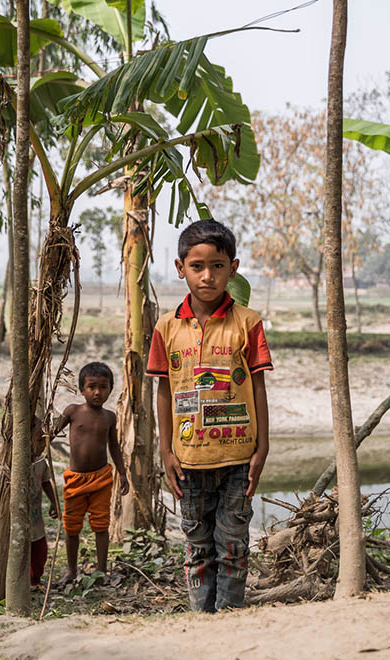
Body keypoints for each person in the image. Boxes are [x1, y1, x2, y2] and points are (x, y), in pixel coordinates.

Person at [146, 219, 273, 613]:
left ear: (232, 269)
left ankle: (230, 618)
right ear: (179, 267)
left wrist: (262, 447)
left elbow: (257, 387)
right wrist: (166, 451)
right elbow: (163, 390)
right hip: (187, 460)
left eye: (217, 266)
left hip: (239, 457)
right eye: (197, 266)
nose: (207, 276)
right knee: (197, 545)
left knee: (233, 543)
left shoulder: (247, 323)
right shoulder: (166, 327)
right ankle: (203, 618)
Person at [55, 362, 129, 584]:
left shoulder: (109, 417)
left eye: (103, 387)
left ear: (110, 389)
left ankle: (101, 569)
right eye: (92, 387)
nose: (97, 392)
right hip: (75, 479)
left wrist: (122, 473)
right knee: (72, 526)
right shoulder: (73, 412)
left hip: (101, 479)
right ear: (81, 389)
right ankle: (70, 569)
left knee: (100, 525)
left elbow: (114, 446)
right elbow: (51, 432)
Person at [29, 418, 59, 589]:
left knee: (40, 552)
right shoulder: (15, 464)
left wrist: (54, 502)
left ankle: (36, 580)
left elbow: (46, 482)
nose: (42, 446)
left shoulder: (40, 462)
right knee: (23, 553)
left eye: (44, 441)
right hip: (20, 521)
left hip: (36, 520)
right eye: (39, 440)